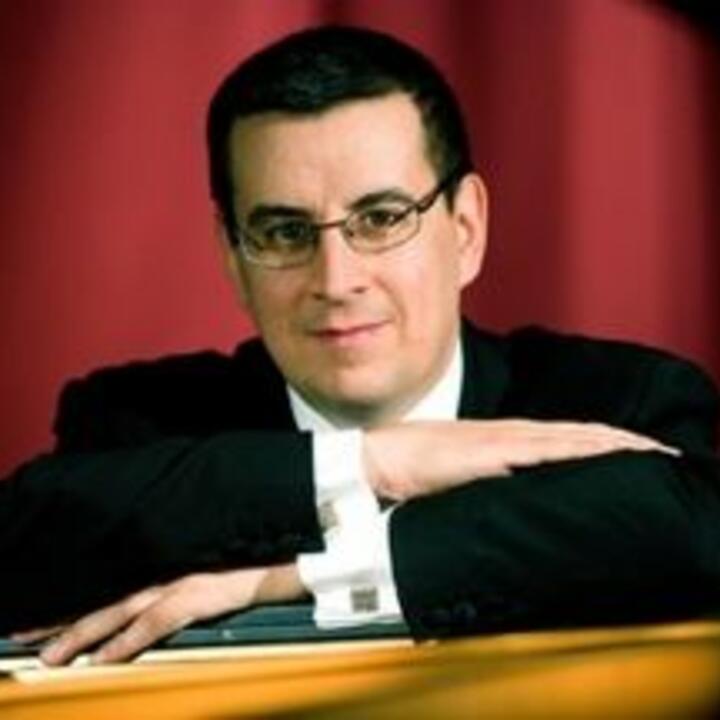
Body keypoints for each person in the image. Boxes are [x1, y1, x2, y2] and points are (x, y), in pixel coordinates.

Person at [2, 26, 719, 666]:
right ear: (233, 257)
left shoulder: (620, 401)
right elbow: (22, 542)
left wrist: (299, 581)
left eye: (380, 218)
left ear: (465, 229)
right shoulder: (135, 422)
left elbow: (700, 525)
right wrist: (372, 463)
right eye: (285, 232)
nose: (336, 280)